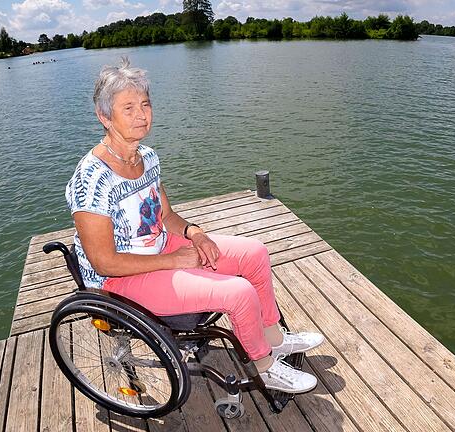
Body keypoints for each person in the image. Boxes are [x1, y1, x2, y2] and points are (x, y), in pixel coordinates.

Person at [65, 58, 323, 394]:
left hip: (158, 249)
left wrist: (196, 234)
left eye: (145, 104)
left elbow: (166, 216)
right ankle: (264, 366)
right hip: (118, 280)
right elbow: (104, 262)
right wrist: (174, 261)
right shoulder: (92, 179)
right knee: (238, 291)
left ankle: (273, 338)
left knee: (255, 254)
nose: (142, 115)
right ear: (104, 116)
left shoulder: (147, 157)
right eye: (128, 108)